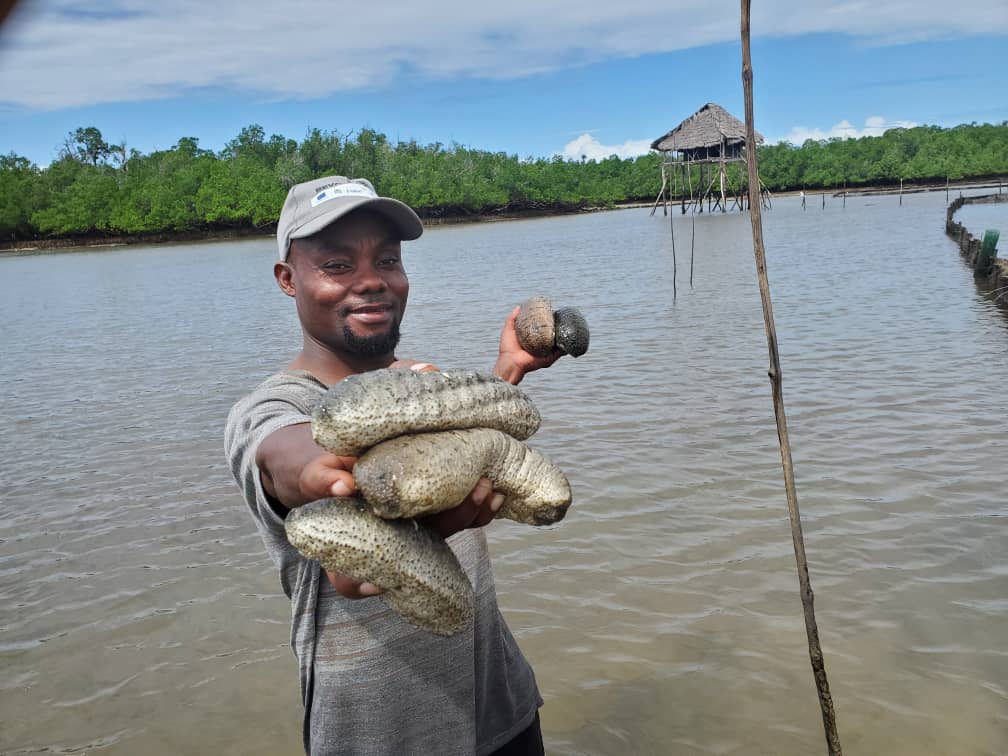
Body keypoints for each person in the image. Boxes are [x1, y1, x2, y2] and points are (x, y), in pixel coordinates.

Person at [224, 175, 561, 755]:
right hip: (381, 734)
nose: (372, 280)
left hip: (500, 707)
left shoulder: (417, 383)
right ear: (287, 278)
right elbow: (286, 458)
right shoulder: (272, 407)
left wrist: (505, 373)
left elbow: (459, 444)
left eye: (387, 259)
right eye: (336, 264)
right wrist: (321, 477)